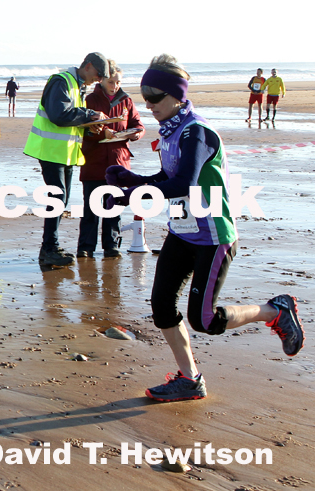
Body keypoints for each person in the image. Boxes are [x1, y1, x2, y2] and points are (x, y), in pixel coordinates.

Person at [106, 54, 303, 402]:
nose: (148, 105)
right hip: (182, 231)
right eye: (145, 97)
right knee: (162, 307)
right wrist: (132, 180)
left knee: (205, 320)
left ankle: (275, 311)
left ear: (177, 96)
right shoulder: (171, 130)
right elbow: (167, 179)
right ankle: (190, 379)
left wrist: (131, 194)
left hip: (212, 237)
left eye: (155, 98)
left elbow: (185, 182)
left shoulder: (196, 131)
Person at [23, 52, 109, 267]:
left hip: (65, 152)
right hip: (51, 151)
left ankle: (50, 247)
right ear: (87, 66)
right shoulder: (61, 81)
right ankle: (49, 248)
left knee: (62, 200)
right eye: (98, 75)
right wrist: (90, 115)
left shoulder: (78, 85)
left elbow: (70, 119)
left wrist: (89, 127)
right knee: (57, 199)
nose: (98, 80)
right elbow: (59, 115)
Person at [78, 60, 144, 259]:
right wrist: (101, 134)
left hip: (118, 161)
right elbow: (81, 128)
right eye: (111, 82)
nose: (115, 86)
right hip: (94, 161)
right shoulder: (90, 100)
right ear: (103, 80)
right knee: (91, 207)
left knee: (114, 207)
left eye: (118, 82)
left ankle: (111, 246)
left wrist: (136, 134)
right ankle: (85, 247)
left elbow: (138, 124)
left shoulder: (127, 100)